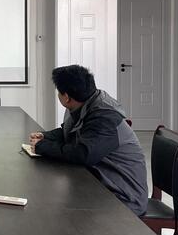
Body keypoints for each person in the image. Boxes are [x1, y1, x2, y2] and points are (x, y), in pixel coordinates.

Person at [30, 65, 148, 215]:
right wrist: (45, 136)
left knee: (52, 210)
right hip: (100, 185)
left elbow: (83, 154)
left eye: (58, 92)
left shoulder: (104, 117)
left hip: (123, 198)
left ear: (66, 97)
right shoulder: (83, 103)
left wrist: (42, 147)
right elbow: (70, 133)